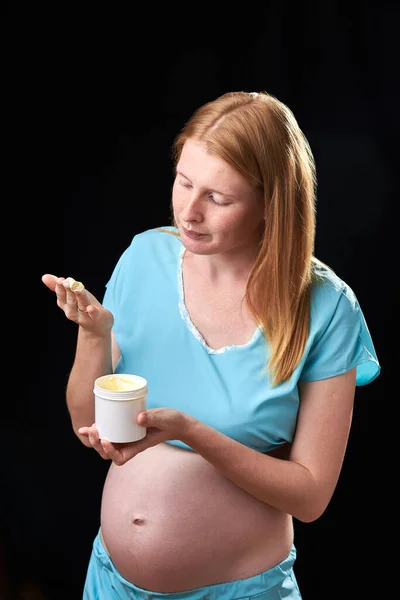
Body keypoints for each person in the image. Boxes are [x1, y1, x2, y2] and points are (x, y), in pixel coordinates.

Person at [42, 90, 380, 600]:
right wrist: (94, 335)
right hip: (111, 582)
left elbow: (310, 496)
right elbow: (85, 420)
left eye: (218, 198)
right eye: (183, 182)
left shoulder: (326, 308)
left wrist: (190, 431)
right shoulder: (144, 257)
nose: (189, 212)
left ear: (271, 203)